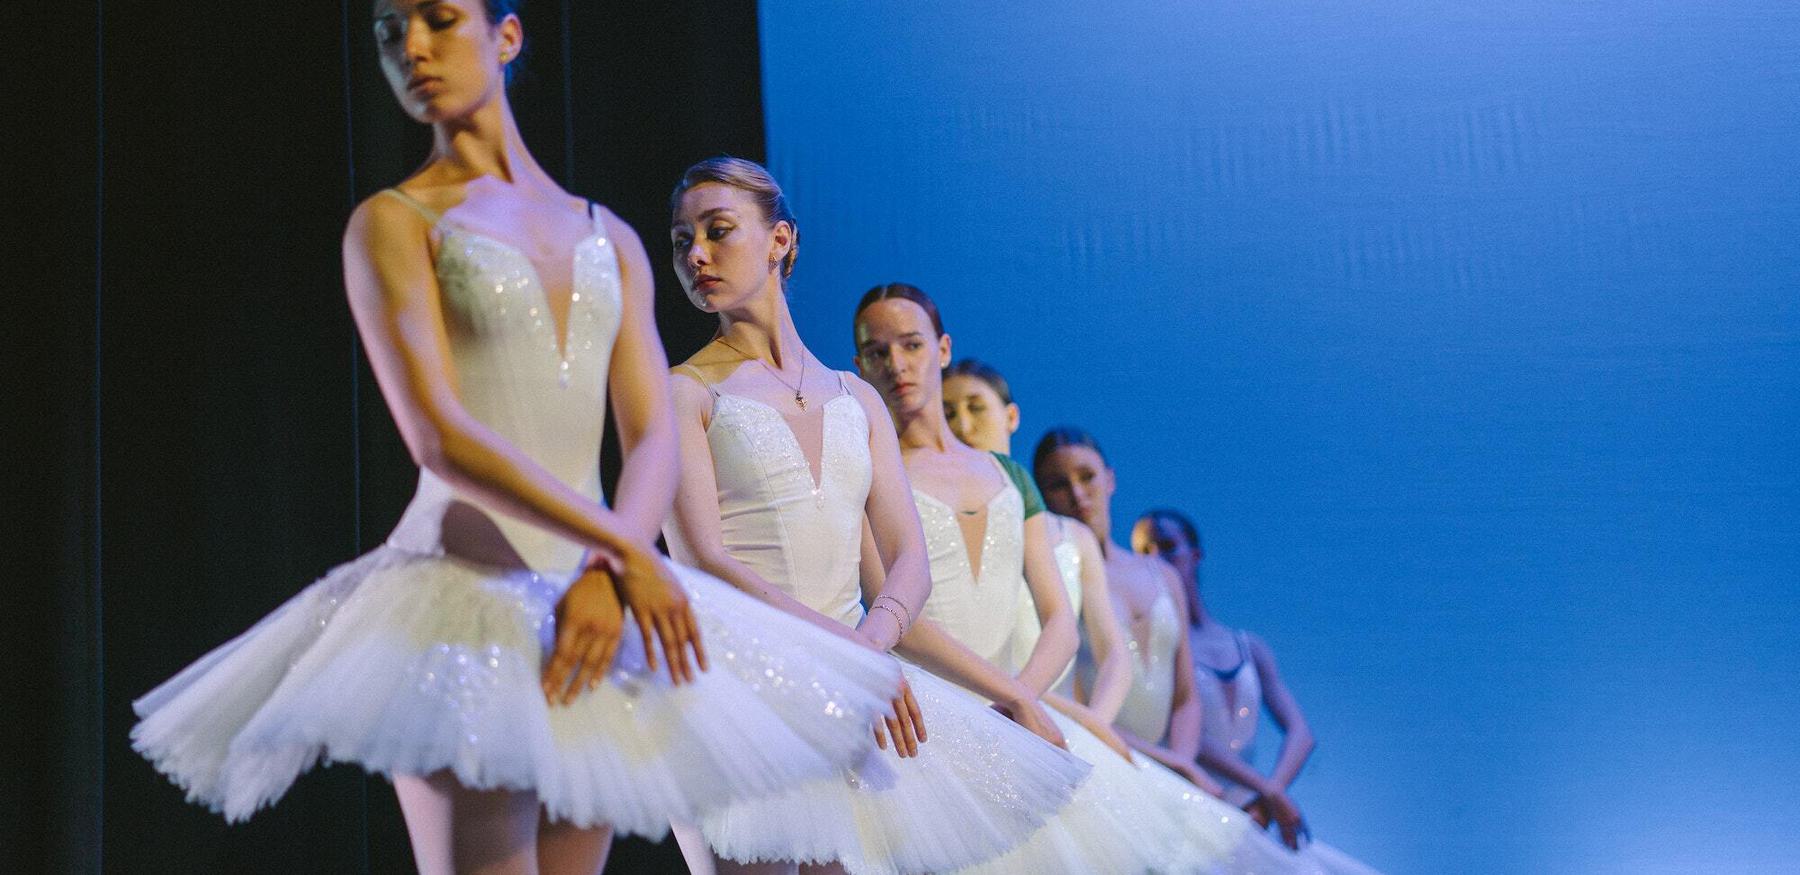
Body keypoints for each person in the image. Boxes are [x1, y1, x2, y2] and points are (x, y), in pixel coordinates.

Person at [129, 5, 900, 873]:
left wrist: (610, 571)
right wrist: (624, 550)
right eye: (389, 33)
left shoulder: (610, 236)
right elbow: (439, 436)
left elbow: (648, 438)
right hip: (461, 593)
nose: (412, 48)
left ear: (506, 36)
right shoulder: (393, 221)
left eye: (438, 20)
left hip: (589, 598)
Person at [662, 158, 1086, 875]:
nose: (696, 254)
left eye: (718, 230)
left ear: (780, 241)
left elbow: (906, 562)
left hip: (849, 693)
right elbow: (704, 561)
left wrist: (868, 651)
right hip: (740, 694)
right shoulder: (682, 392)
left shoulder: (855, 399)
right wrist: (855, 657)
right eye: (680, 241)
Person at [925, 339, 1306, 873]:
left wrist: (1173, 752)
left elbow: (1160, 680)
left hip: (1123, 739)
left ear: (1109, 477)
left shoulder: (1120, 562)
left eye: (1086, 477)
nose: (1077, 493)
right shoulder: (1024, 536)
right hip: (1051, 716)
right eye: (1059, 483)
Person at [1135, 510, 1381, 874]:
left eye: (1169, 546)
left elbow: (1302, 733)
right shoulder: (1161, 646)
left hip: (1253, 812)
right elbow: (1190, 738)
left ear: (1195, 553)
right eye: (1144, 552)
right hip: (1200, 804)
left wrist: (1270, 796)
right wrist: (1266, 791)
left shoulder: (1248, 647)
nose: (1158, 559)